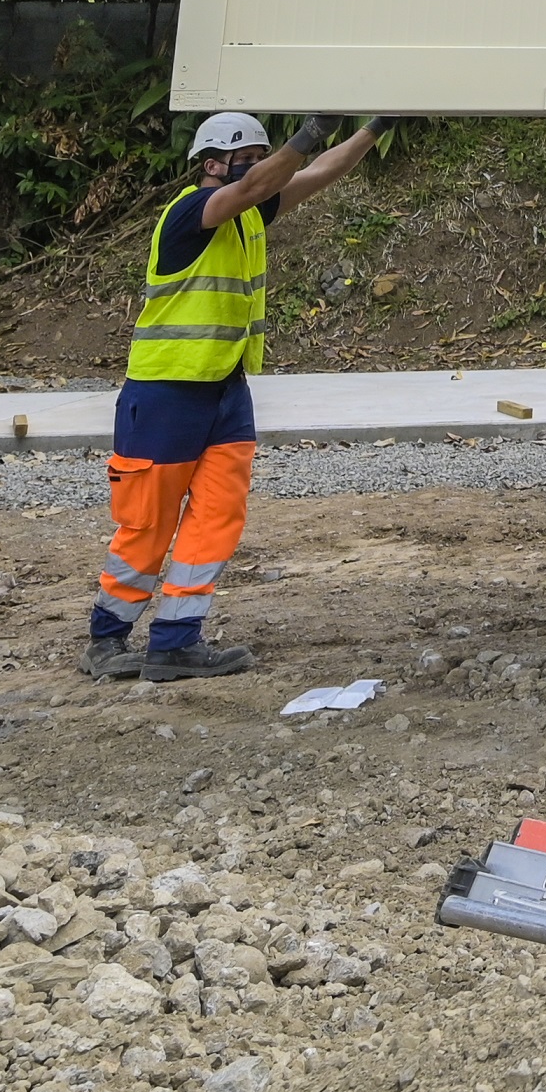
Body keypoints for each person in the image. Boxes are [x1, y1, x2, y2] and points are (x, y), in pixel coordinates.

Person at [85, 110, 376, 684]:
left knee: (216, 519)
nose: (258, 168)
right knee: (147, 525)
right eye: (247, 159)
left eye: (260, 157)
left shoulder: (248, 216)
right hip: (166, 391)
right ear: (212, 164)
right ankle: (107, 639)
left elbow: (320, 172)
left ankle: (175, 644)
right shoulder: (191, 211)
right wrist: (312, 129)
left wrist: (376, 127)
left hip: (225, 392)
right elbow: (254, 186)